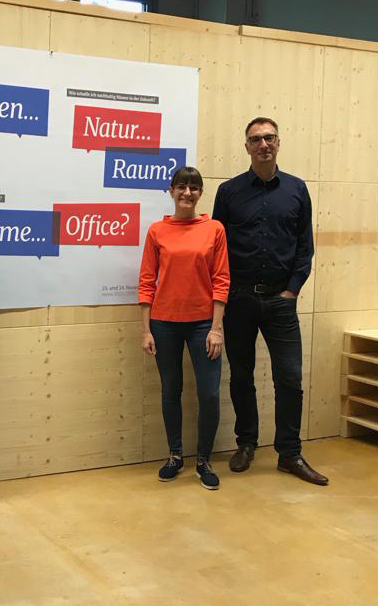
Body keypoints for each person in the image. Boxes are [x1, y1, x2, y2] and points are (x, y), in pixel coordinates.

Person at [212, 117, 328, 486]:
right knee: (241, 376)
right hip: (239, 301)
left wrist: (291, 290)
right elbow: (217, 249)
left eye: (269, 138)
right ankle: (246, 444)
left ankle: (289, 454)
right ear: (246, 146)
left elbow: (305, 247)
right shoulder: (229, 192)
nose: (263, 144)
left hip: (281, 301)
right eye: (256, 139)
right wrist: (225, 293)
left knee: (289, 378)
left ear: (278, 143)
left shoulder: (297, 189)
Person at [139, 167, 230, 490]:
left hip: (203, 324)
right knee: (170, 390)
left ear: (200, 193)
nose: (187, 193)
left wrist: (216, 328)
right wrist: (146, 330)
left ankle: (203, 460)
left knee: (209, 394)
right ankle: (175, 456)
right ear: (171, 191)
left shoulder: (214, 229)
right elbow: (147, 281)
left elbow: (221, 280)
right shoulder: (157, 231)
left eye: (193, 187)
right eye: (181, 187)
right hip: (164, 324)